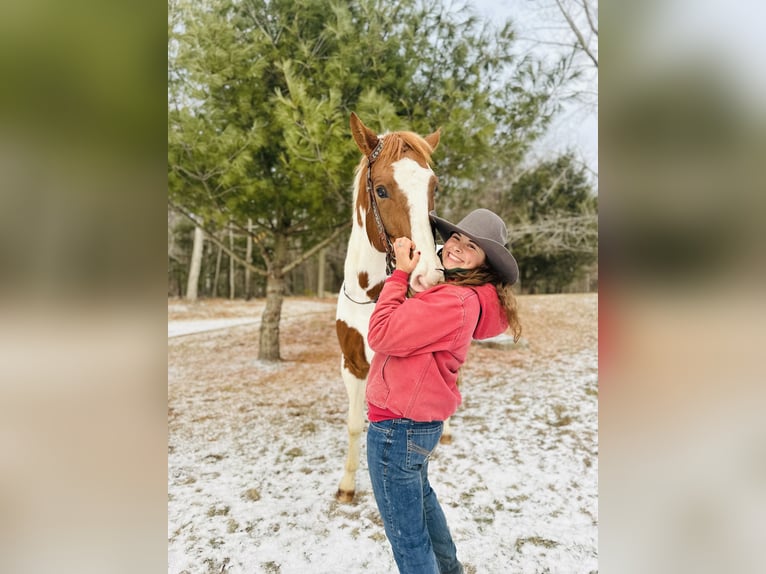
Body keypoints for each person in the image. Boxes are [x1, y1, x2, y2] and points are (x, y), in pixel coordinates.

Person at [365, 208, 522, 574]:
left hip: (396, 428)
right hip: (417, 426)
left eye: (472, 247)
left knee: (408, 539)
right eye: (456, 238)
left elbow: (381, 334)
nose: (457, 248)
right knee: (423, 503)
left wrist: (399, 275)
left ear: (486, 263)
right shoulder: (459, 294)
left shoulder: (453, 300)